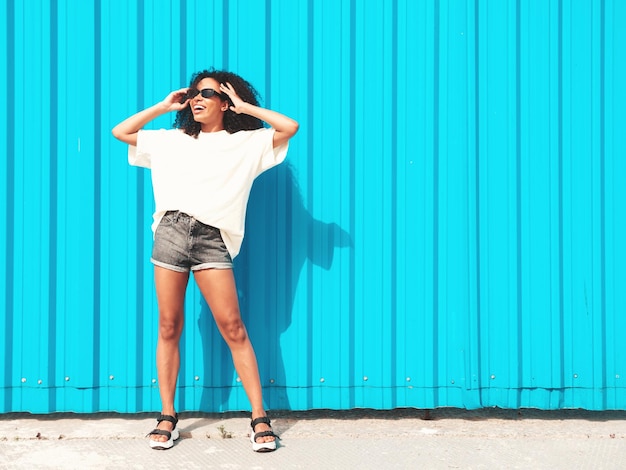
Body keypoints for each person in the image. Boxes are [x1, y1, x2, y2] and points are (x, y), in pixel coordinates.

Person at [111, 68, 299, 452]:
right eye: (194, 94)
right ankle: (168, 415)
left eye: (207, 94)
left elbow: (289, 126)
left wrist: (247, 107)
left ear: (225, 103)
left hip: (212, 238)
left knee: (233, 327)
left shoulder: (246, 143)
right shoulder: (172, 140)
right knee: (168, 326)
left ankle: (259, 417)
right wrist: (163, 106)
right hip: (171, 233)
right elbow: (121, 132)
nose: (197, 99)